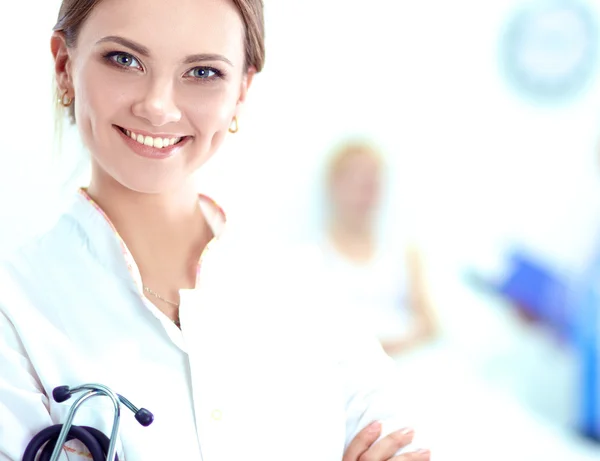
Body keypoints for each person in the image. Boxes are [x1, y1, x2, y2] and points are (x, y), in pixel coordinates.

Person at [0, 1, 431, 460]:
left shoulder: (305, 287)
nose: (158, 107)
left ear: (241, 92)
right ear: (65, 67)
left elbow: (405, 441)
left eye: (203, 72)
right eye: (124, 60)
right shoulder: (15, 312)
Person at [320, 140, 437, 357]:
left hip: (406, 361)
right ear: (334, 184)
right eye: (357, 181)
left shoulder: (404, 252)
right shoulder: (312, 257)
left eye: (373, 182)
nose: (366, 192)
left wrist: (397, 346)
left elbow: (430, 324)